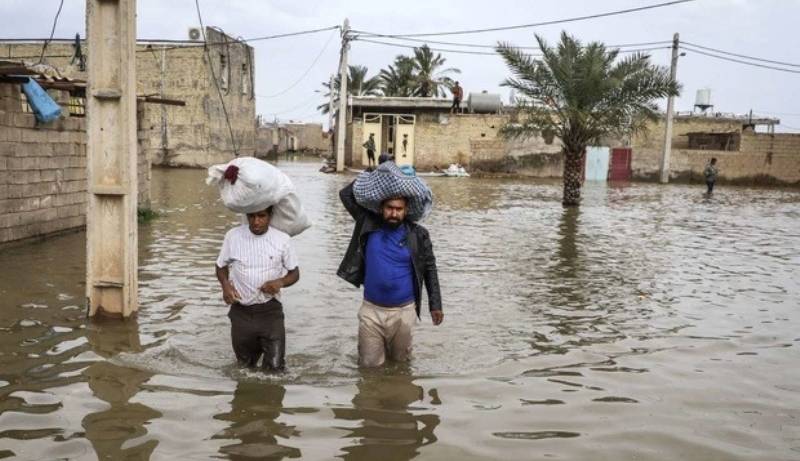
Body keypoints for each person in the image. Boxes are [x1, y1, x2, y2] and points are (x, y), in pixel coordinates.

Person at [338, 180, 443, 368]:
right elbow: (345, 195)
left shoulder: (418, 234)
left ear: (406, 210)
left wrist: (435, 305)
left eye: (399, 209)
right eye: (389, 208)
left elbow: (429, 268)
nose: (394, 213)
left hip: (404, 312)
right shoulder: (367, 224)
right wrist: (375, 173)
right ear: (381, 208)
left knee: (401, 366)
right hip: (371, 311)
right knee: (369, 367)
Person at [215, 206, 300, 372]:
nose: (256, 221)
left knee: (275, 369)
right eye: (252, 216)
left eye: (261, 216)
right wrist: (225, 286)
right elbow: (220, 266)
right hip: (241, 312)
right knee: (245, 368)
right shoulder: (234, 236)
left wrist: (280, 283)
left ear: (270, 216)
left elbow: (294, 273)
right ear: (246, 216)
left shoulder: (282, 240)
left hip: (270, 312)